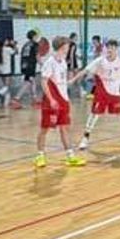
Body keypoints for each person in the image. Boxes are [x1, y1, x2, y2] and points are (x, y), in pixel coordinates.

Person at [33, 35, 82, 168]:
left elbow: (60, 80)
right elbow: (44, 82)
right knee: (44, 129)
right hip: (52, 101)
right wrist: (51, 99)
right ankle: (40, 156)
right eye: (67, 45)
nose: (68, 47)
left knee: (64, 128)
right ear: (62, 47)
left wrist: (67, 88)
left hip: (64, 99)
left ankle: (70, 156)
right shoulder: (50, 62)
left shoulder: (63, 62)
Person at [19, 29, 41, 104]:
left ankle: (34, 98)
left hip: (24, 65)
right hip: (30, 65)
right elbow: (37, 55)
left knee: (32, 81)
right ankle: (16, 98)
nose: (37, 37)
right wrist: (42, 64)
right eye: (36, 36)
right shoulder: (35, 44)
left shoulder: (25, 44)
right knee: (28, 82)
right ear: (34, 36)